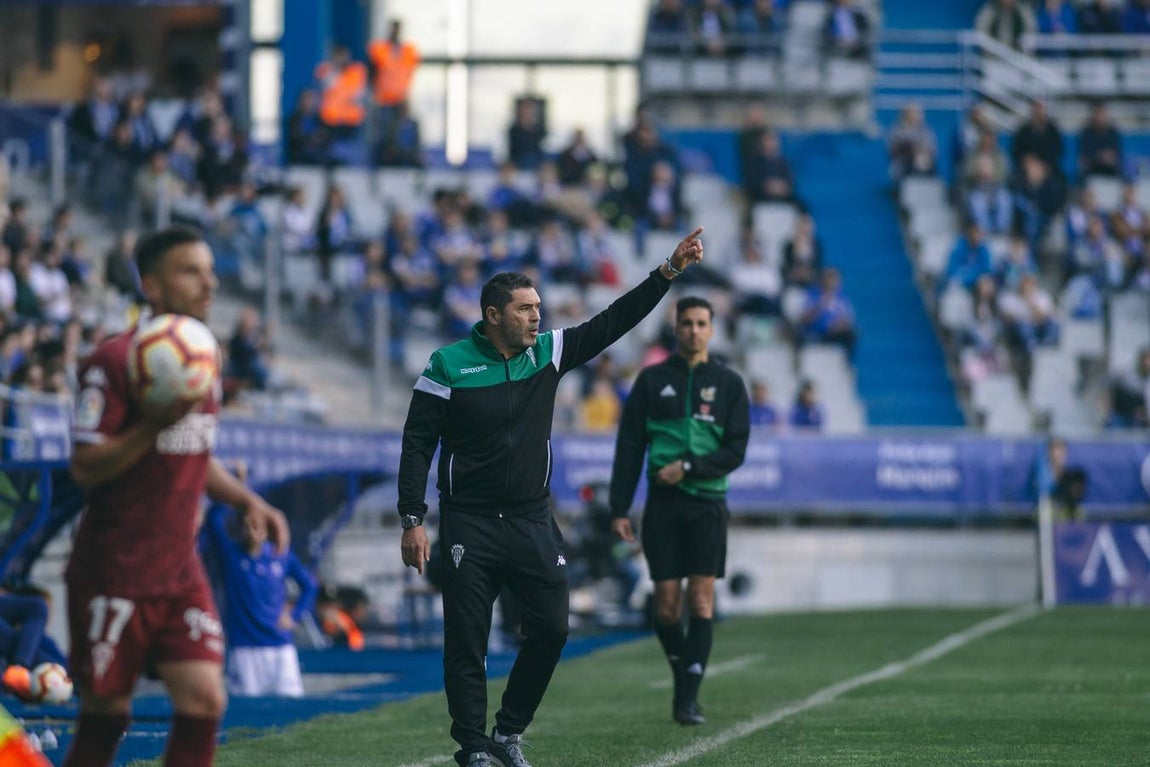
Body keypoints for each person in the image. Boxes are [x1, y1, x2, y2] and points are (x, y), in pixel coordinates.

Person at [397, 227, 706, 767]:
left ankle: (509, 730)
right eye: (523, 309)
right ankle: (472, 746)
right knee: (467, 638)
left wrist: (669, 271)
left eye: (537, 307)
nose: (536, 316)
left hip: (531, 518)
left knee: (553, 626)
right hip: (468, 520)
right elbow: (417, 443)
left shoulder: (549, 352)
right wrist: (412, 518)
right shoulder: (447, 365)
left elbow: (614, 321)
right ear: (493, 315)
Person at [64, 226, 289, 767]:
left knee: (206, 698)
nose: (209, 284)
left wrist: (246, 500)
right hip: (115, 569)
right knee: (107, 715)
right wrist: (150, 426)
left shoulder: (201, 361)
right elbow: (85, 466)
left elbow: (190, 450)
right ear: (152, 285)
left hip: (179, 570)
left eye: (210, 271)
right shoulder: (114, 361)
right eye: (192, 271)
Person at [608, 296, 750, 726]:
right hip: (663, 507)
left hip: (707, 503)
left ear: (712, 329)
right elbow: (630, 447)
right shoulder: (651, 381)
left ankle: (686, 699)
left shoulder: (728, 384)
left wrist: (688, 467)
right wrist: (619, 506)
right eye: (686, 323)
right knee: (667, 606)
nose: (693, 330)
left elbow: (736, 451)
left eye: (701, 323)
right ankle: (683, 679)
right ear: (676, 328)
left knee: (700, 599)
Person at [200, 464, 318, 698]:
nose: (251, 529)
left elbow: (309, 586)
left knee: (291, 708)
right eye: (246, 524)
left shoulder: (279, 554)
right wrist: (239, 488)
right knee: (248, 712)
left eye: (255, 523)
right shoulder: (232, 556)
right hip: (245, 649)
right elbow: (215, 519)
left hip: (280, 646)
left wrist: (293, 616)